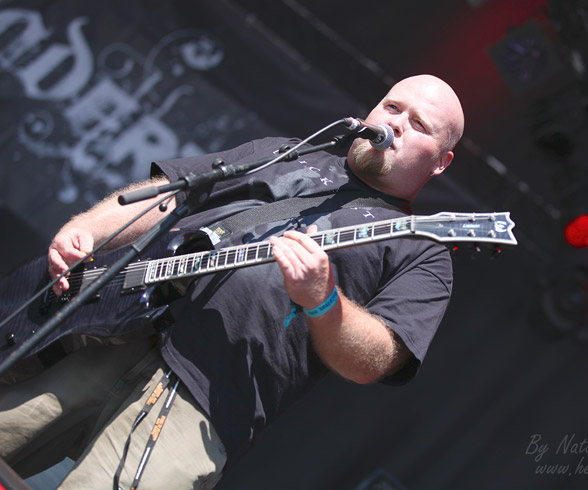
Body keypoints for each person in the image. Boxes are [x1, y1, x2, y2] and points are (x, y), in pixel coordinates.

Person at [0, 74, 464, 489]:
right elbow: (170, 195)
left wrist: (322, 302)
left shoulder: (422, 249)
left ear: (440, 163)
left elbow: (377, 360)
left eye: (419, 125)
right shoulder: (286, 152)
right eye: (392, 107)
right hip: (109, 333)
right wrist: (87, 230)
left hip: (205, 402)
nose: (397, 123)